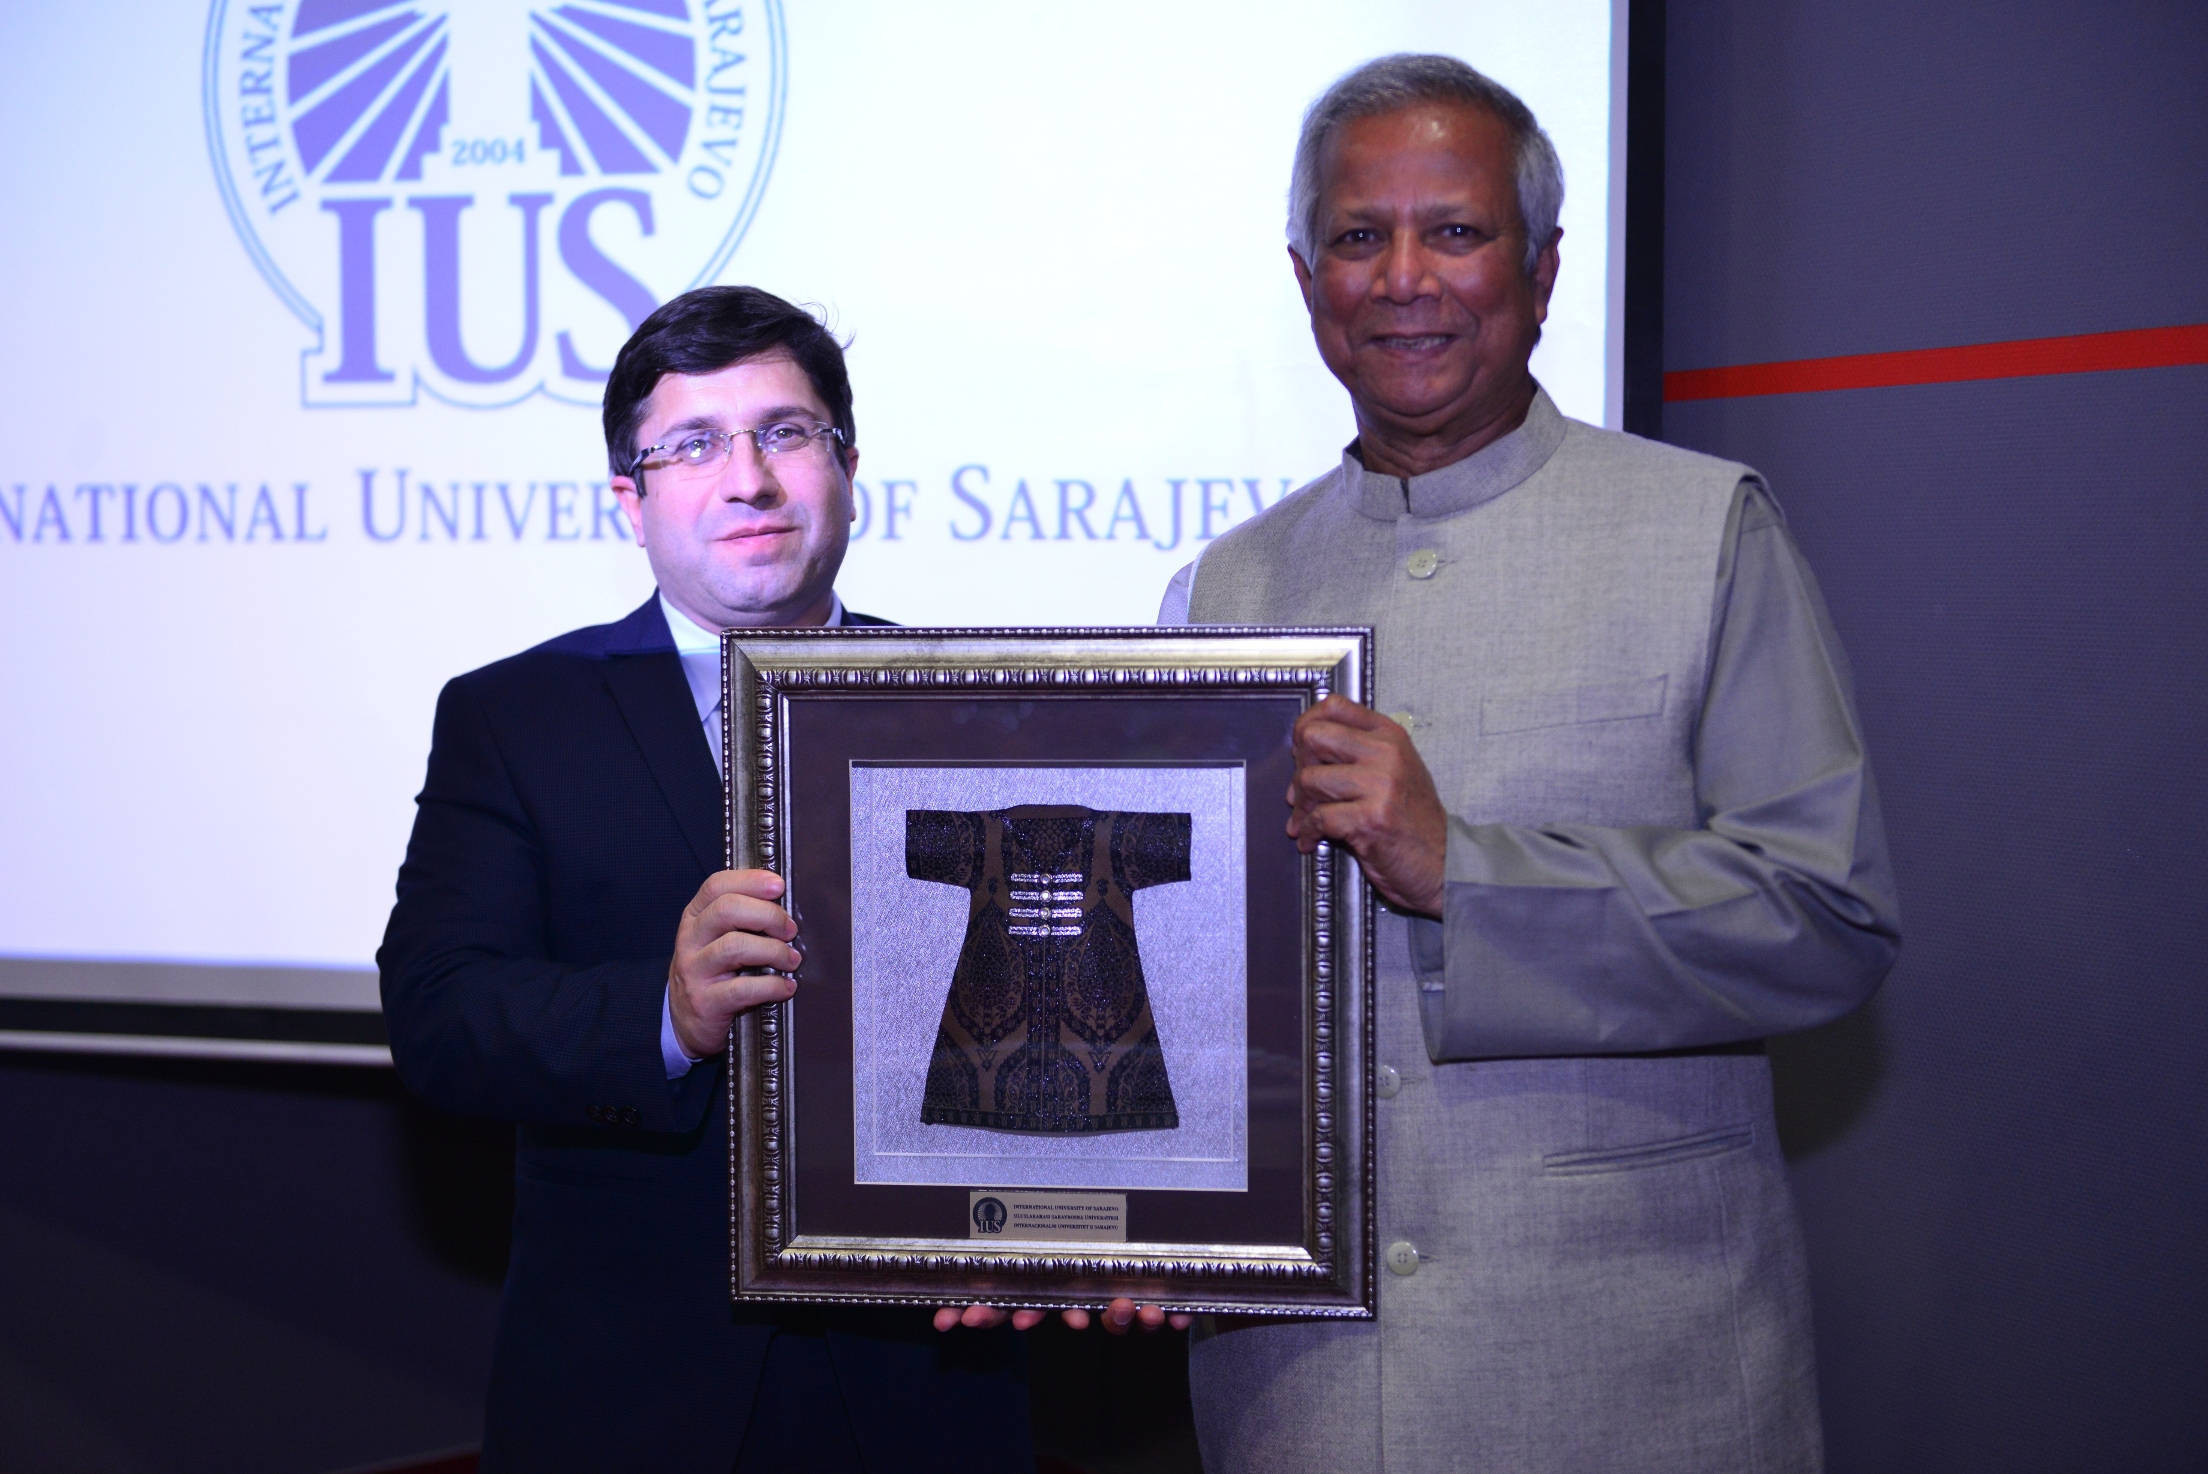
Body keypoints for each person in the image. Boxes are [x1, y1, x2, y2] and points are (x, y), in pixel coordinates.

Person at [1152, 55, 1902, 1473]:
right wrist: (1096, 1199)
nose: (1404, 279)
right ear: (1307, 280)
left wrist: (1469, 874)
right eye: (1359, 236)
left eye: (1456, 230)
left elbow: (1826, 919)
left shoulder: (1704, 531)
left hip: (1633, 1383)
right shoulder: (1224, 588)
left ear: (1545, 270)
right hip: (1298, 1395)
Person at [378, 286, 1032, 1474]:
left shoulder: (979, 707)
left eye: (785, 432)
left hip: (928, 1380)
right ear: (629, 501)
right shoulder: (516, 717)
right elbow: (438, 1014)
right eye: (693, 445)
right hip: (632, 1391)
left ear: (848, 470)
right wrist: (665, 1015)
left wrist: (1073, 1216)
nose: (748, 478)